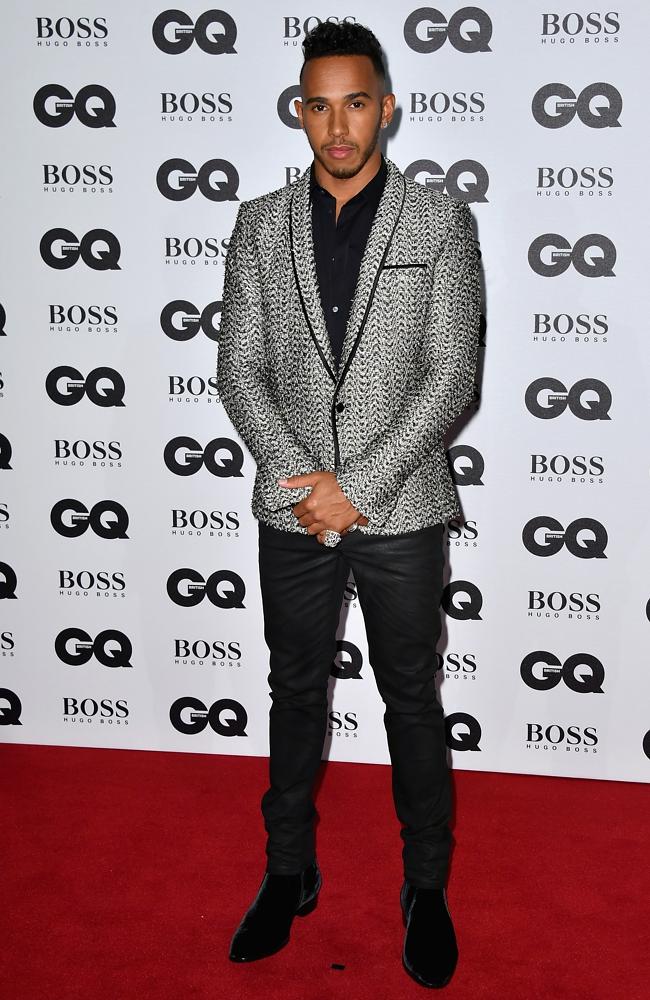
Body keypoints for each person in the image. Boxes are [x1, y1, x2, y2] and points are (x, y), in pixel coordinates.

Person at [216, 20, 481, 990]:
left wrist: (356, 490)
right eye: (317, 103)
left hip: (401, 508)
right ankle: (287, 872)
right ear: (299, 109)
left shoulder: (437, 222)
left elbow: (449, 374)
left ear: (386, 106)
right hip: (290, 510)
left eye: (355, 101)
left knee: (410, 699)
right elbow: (238, 371)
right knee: (294, 693)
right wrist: (307, 486)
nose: (337, 123)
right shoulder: (256, 223)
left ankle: (425, 887)